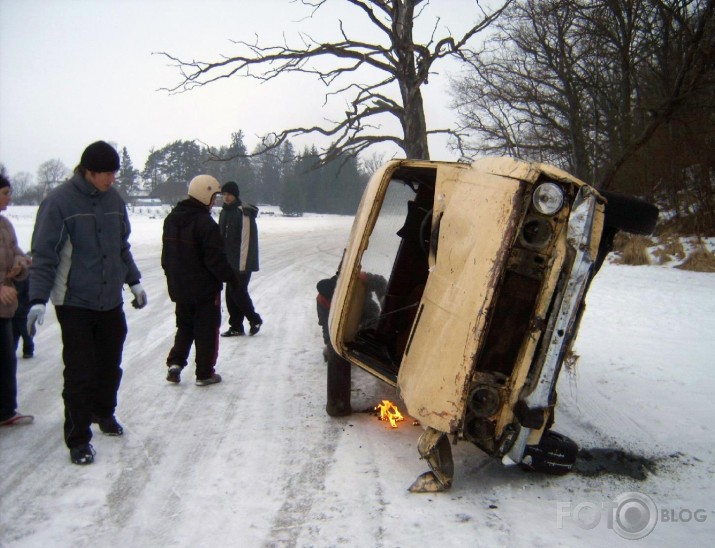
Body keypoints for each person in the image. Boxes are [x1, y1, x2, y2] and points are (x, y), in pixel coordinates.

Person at [27, 141, 147, 465]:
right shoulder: (58, 203)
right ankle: (78, 438)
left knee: (110, 365)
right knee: (80, 373)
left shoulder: (114, 201)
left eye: (114, 173)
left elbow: (121, 247)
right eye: (106, 174)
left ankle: (103, 412)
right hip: (75, 302)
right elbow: (44, 255)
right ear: (89, 172)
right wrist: (37, 299)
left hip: (110, 301)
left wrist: (133, 280)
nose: (112, 180)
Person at [162, 174, 238, 386]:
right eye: (213, 197)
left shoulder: (171, 219)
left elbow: (166, 257)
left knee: (185, 326)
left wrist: (172, 277)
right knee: (207, 329)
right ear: (204, 194)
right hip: (204, 289)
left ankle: (175, 364)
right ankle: (204, 373)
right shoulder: (205, 224)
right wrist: (231, 278)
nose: (214, 202)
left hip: (180, 288)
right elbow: (215, 260)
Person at [0, 174, 33, 427]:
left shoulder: (5, 225)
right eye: (5, 192)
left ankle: (5, 411)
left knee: (5, 359)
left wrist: (21, 265)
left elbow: (18, 255)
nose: (10, 197)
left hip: (5, 309)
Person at [218, 181, 262, 337]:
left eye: (229, 194)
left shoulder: (242, 213)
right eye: (224, 194)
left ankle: (254, 319)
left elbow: (247, 240)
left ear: (235, 195)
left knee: (238, 292)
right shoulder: (224, 212)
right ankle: (236, 326)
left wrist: (242, 265)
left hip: (243, 262)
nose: (226, 197)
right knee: (230, 294)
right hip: (229, 262)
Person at [12, 277, 35, 359]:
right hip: (12, 311)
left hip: (24, 311)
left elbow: (29, 293)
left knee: (26, 333)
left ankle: (28, 349)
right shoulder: (7, 276)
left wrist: (26, 306)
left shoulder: (26, 277)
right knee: (12, 333)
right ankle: (11, 350)